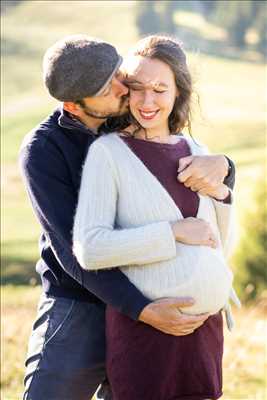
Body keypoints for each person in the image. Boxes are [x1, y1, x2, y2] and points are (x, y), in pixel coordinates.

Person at [19, 34, 235, 400]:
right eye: (109, 87)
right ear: (74, 106)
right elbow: (74, 253)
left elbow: (181, 170)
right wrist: (142, 309)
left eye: (119, 74)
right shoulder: (43, 151)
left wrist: (225, 168)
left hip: (149, 298)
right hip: (81, 303)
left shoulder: (127, 116)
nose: (125, 88)